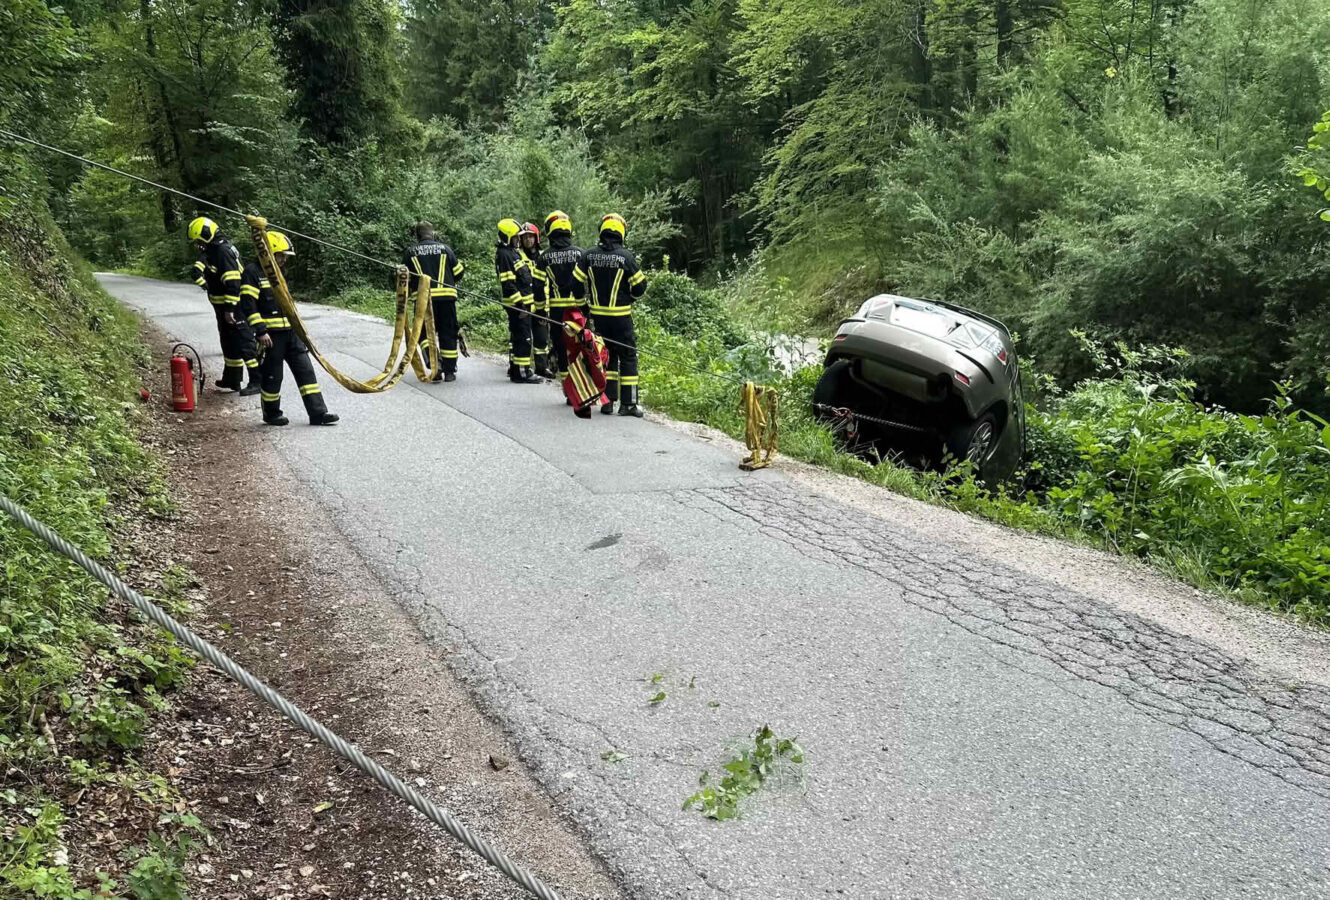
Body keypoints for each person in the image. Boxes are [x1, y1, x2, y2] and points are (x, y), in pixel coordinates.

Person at [241, 232, 339, 426]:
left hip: (291, 334)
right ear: (270, 253)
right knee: (272, 377)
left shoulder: (277, 273)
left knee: (306, 372)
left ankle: (318, 413)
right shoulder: (252, 272)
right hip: (271, 337)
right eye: (281, 255)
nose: (284, 259)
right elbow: (248, 304)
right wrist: (260, 331)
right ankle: (272, 413)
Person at [575, 213, 647, 416]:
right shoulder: (626, 257)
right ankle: (629, 404)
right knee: (628, 356)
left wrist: (584, 308)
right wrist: (630, 298)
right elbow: (640, 287)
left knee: (607, 357)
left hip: (599, 318)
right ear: (621, 233)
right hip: (621, 317)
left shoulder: (588, 255)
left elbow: (575, 284)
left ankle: (607, 401)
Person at [189, 217, 260, 395]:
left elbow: (233, 282)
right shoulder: (213, 249)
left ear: (206, 235)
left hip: (234, 306)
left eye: (199, 239)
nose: (198, 244)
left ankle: (257, 380)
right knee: (228, 342)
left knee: (244, 341)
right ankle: (233, 378)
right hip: (222, 306)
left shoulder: (222, 251)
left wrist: (229, 308)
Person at [402, 221, 465, 382]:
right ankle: (450, 372)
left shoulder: (410, 253)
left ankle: (435, 366)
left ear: (417, 235)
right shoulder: (446, 249)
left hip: (424, 300)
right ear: (433, 234)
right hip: (446, 298)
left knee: (423, 333)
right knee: (448, 333)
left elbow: (403, 278)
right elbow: (458, 273)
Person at [538, 210, 587, 392]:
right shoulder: (581, 254)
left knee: (561, 349)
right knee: (579, 347)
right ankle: (581, 386)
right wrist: (585, 308)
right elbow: (585, 282)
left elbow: (537, 286)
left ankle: (568, 391)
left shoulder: (544, 257)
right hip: (577, 309)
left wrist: (540, 310)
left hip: (557, 311)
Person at [495, 218, 542, 384]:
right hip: (518, 306)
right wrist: (520, 305)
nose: (518, 239)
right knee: (523, 338)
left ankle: (516, 370)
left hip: (524, 304)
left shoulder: (511, 252)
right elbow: (508, 284)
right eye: (515, 236)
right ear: (507, 237)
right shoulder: (505, 255)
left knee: (519, 337)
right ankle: (523, 373)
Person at [519, 222, 555, 379]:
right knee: (521, 337)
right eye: (525, 237)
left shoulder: (543, 256)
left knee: (541, 338)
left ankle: (541, 367)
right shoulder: (517, 255)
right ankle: (519, 366)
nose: (528, 240)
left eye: (530, 237)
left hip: (542, 304)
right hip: (523, 304)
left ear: (536, 238)